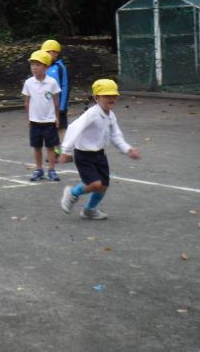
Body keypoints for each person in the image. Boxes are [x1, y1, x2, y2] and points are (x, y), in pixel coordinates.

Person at [59, 79, 141, 220]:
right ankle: (72, 193)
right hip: (84, 155)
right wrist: (66, 151)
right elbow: (73, 129)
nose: (111, 98)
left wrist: (128, 149)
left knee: (103, 186)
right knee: (95, 184)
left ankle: (89, 210)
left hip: (100, 155)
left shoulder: (111, 115)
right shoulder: (91, 114)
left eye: (113, 95)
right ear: (97, 97)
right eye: (107, 95)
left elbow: (116, 136)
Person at [22, 50, 61, 181]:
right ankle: (38, 169)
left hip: (49, 120)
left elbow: (56, 102)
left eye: (38, 64)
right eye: (32, 64)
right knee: (37, 147)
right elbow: (27, 102)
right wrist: (28, 118)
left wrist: (57, 118)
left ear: (46, 67)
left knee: (50, 146)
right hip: (35, 121)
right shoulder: (28, 83)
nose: (34, 67)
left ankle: (52, 169)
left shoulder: (52, 82)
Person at [41, 40, 70, 147]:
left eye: (48, 52)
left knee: (62, 127)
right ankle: (56, 152)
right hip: (48, 105)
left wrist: (62, 106)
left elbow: (65, 86)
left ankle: (67, 152)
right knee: (51, 128)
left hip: (59, 105)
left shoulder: (60, 67)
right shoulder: (46, 68)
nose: (46, 55)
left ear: (56, 53)